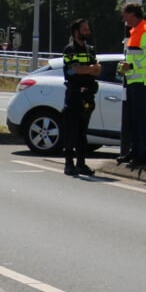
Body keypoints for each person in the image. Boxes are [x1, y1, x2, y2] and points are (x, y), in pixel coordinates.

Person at [60, 17, 101, 177]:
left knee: (83, 132)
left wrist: (88, 69)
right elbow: (74, 70)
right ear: (76, 31)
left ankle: (81, 164)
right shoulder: (69, 50)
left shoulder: (91, 49)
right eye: (84, 29)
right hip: (74, 95)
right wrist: (89, 69)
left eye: (88, 29)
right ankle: (69, 164)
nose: (87, 32)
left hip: (88, 96)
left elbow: (98, 70)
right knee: (71, 131)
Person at [118, 2, 146, 167]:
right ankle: (135, 152)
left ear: (133, 14)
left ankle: (144, 154)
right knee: (133, 119)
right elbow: (136, 55)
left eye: (125, 15)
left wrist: (131, 66)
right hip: (133, 79)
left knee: (140, 119)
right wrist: (126, 65)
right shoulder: (135, 31)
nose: (123, 19)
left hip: (142, 81)